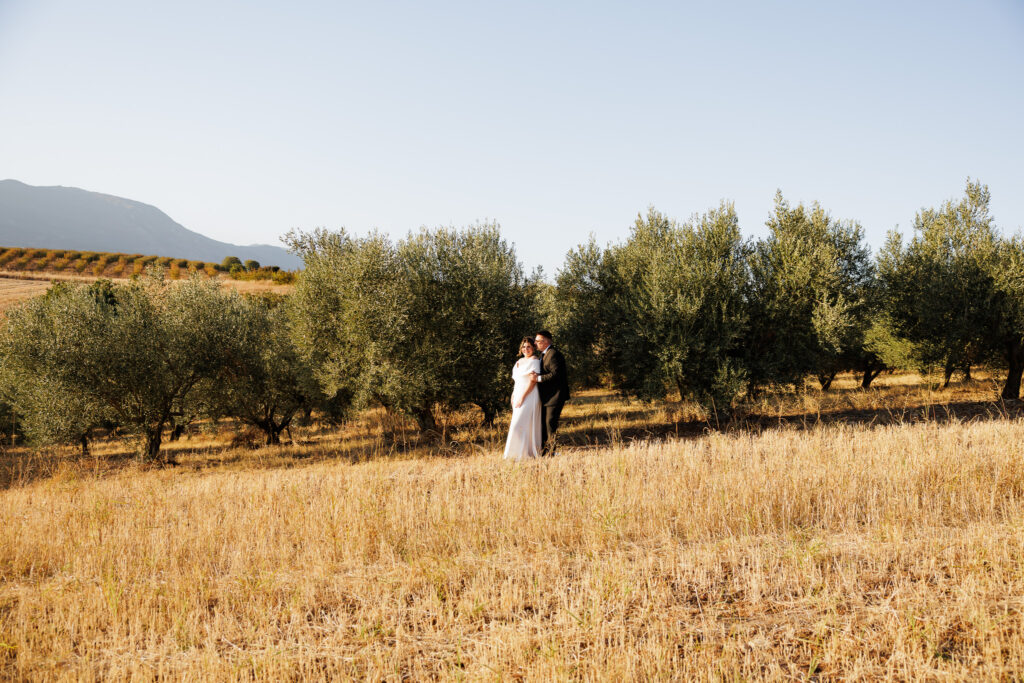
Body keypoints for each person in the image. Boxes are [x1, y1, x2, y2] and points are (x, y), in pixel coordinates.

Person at [502, 336, 542, 461]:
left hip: (529, 395)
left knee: (519, 423)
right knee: (519, 423)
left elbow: (532, 382)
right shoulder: (519, 361)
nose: (526, 349)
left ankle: (523, 453)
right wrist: (514, 395)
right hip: (518, 393)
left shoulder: (535, 361)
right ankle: (515, 454)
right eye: (524, 347)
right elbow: (517, 381)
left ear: (533, 348)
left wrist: (522, 397)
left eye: (528, 347)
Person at [532, 330, 569, 456]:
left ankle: (551, 452)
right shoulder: (544, 354)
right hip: (547, 396)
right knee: (545, 424)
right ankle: (544, 451)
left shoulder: (553, 354)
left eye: (537, 341)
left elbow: (556, 374)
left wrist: (538, 378)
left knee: (550, 424)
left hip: (555, 396)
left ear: (546, 341)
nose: (535, 343)